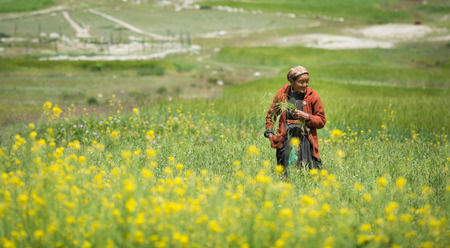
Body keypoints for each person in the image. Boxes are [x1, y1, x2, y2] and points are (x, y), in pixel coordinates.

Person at [264, 66, 326, 177]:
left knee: (308, 173)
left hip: (306, 140)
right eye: (301, 82)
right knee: (285, 173)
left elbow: (321, 121)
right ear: (291, 81)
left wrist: (307, 117)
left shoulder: (313, 96)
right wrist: (269, 133)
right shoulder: (282, 94)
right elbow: (271, 116)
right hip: (285, 139)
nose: (305, 85)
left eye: (307, 81)